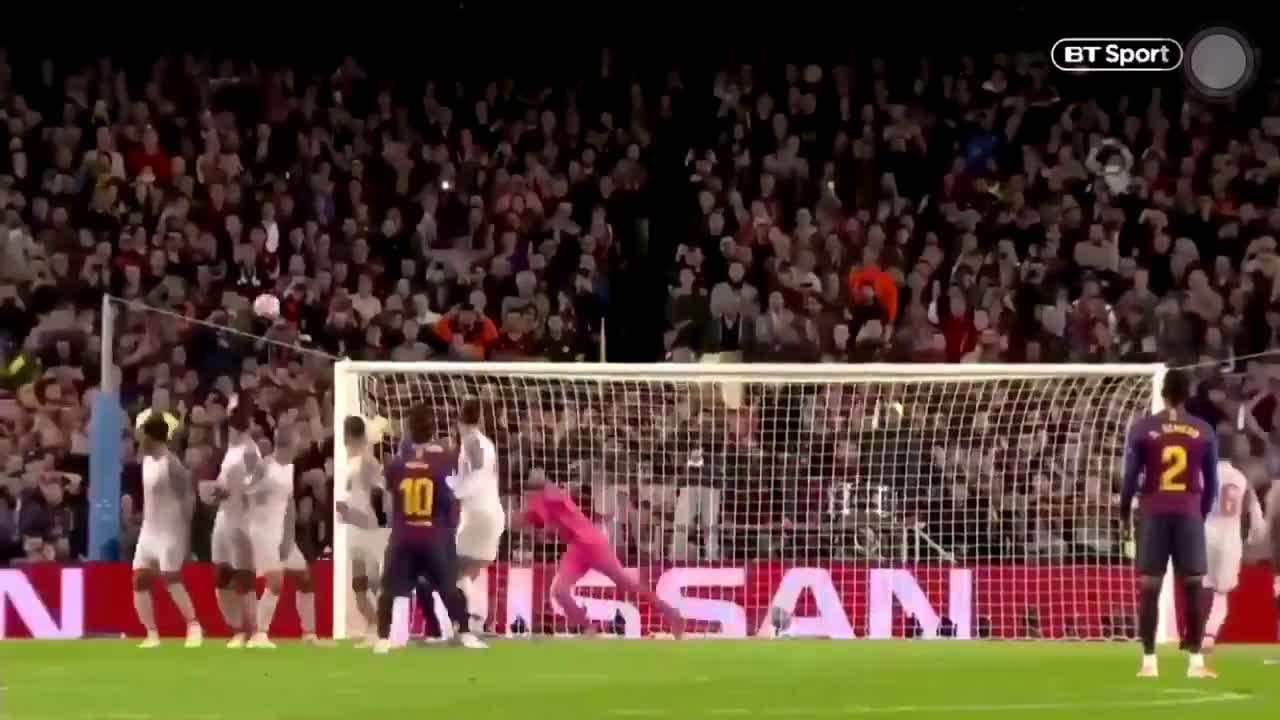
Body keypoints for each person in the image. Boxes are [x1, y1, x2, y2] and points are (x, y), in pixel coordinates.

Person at [1120, 368, 1218, 678]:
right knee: (1193, 585)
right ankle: (1195, 663)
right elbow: (1211, 483)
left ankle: (1149, 662)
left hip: (1154, 512)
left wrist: (1124, 511)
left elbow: (1130, 477)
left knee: (1150, 587)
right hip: (1188, 513)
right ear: (1187, 394)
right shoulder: (1203, 430)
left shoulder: (1143, 428)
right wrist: (1199, 513)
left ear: (1162, 394)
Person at [513, 470, 684, 638]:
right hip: (576, 547)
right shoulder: (539, 500)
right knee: (560, 591)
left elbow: (547, 512)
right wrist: (524, 520)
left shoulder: (547, 494)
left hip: (592, 543)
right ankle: (588, 628)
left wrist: (532, 512)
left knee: (626, 584)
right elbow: (537, 522)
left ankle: (671, 613)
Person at [373, 403, 484, 653]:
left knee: (389, 590)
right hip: (434, 535)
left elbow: (387, 501)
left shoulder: (397, 465)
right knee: (448, 587)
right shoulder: (444, 460)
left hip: (404, 536)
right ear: (432, 428)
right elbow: (454, 494)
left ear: (409, 429)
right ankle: (465, 633)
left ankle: (382, 638)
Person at [246, 426, 322, 647]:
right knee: (276, 582)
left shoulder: (289, 467)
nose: (301, 443)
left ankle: (309, 634)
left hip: (280, 532)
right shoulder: (264, 467)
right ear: (290, 442)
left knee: (305, 577)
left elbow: (289, 504)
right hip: (262, 531)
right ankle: (259, 634)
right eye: (298, 438)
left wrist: (288, 537)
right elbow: (246, 494)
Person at [133, 414, 202, 648]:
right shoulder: (146, 460)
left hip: (171, 531)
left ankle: (193, 625)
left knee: (171, 579)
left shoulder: (172, 464)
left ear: (152, 437)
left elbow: (188, 499)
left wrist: (186, 536)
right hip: (149, 530)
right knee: (140, 580)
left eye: (143, 434)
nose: (139, 439)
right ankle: (151, 633)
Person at [207, 397, 261, 648]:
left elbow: (256, 487)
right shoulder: (232, 447)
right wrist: (219, 492)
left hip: (243, 519)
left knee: (243, 579)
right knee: (222, 577)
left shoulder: (250, 451)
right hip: (225, 517)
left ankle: (255, 631)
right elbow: (225, 481)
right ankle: (238, 629)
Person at [451, 396, 505, 632]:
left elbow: (478, 469)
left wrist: (456, 489)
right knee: (468, 571)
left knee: (454, 568)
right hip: (493, 513)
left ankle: (468, 619)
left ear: (458, 420)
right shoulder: (488, 443)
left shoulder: (470, 439)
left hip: (477, 513)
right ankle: (473, 621)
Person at [1201, 455, 1265, 651]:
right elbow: (1254, 514)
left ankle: (1194, 631)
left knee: (1201, 587)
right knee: (1221, 594)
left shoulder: (1203, 473)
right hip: (1229, 539)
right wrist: (1254, 537)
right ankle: (1209, 635)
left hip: (1205, 535)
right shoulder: (1241, 478)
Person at [335, 415, 386, 647]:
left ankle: (385, 630)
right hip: (355, 528)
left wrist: (363, 517)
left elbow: (379, 493)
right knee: (360, 587)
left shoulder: (366, 462)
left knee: (374, 583)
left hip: (369, 529)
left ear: (346, 436)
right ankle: (374, 628)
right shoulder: (351, 462)